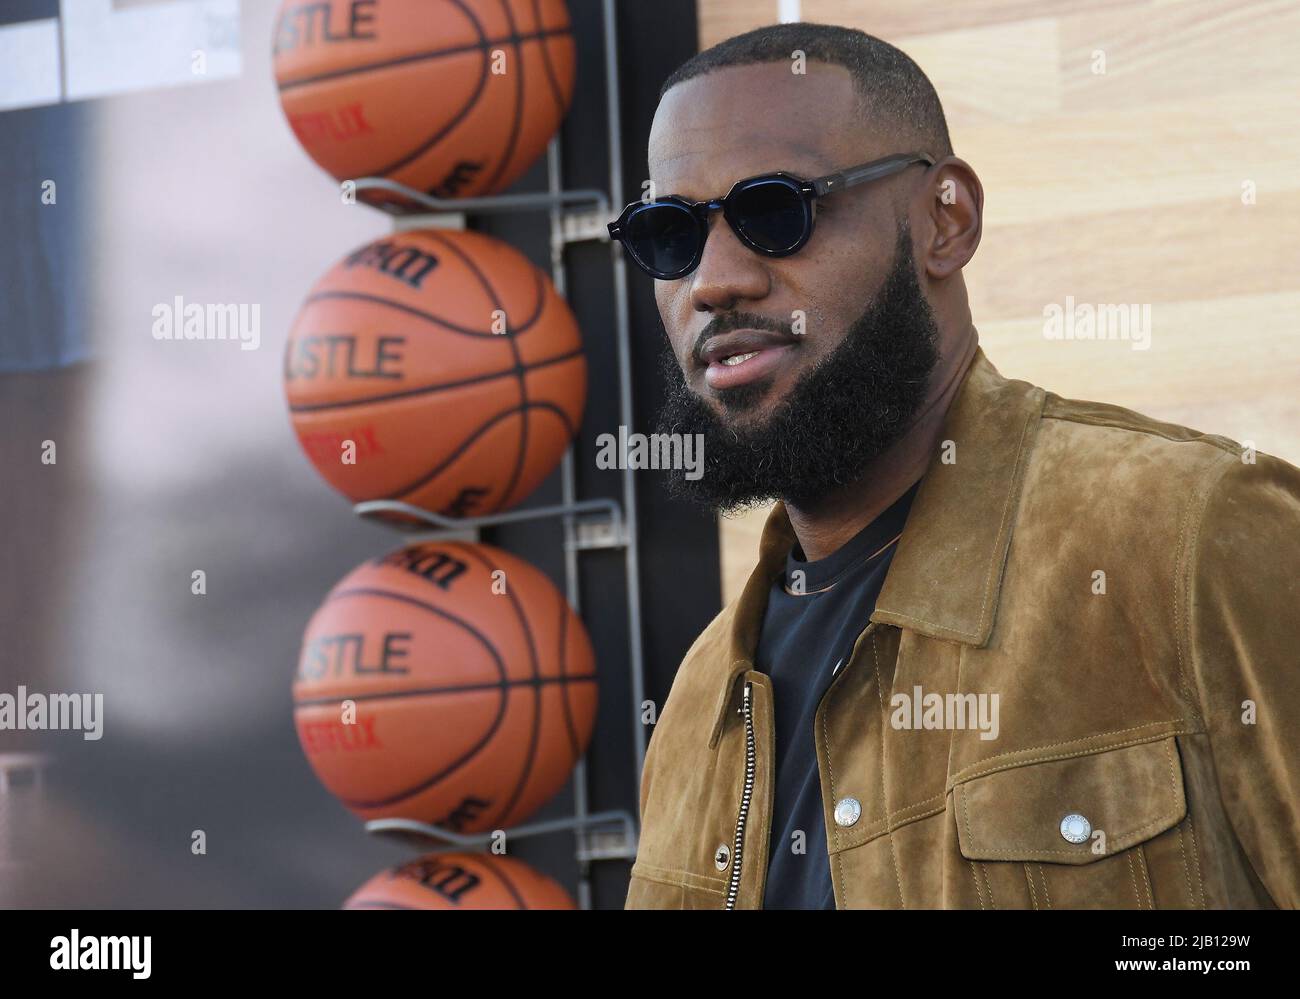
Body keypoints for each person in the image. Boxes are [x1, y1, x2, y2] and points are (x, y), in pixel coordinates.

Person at [610, 22, 1300, 909]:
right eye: (669, 233)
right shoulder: (702, 700)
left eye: (775, 212)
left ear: (947, 220)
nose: (715, 279)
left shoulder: (1192, 534)